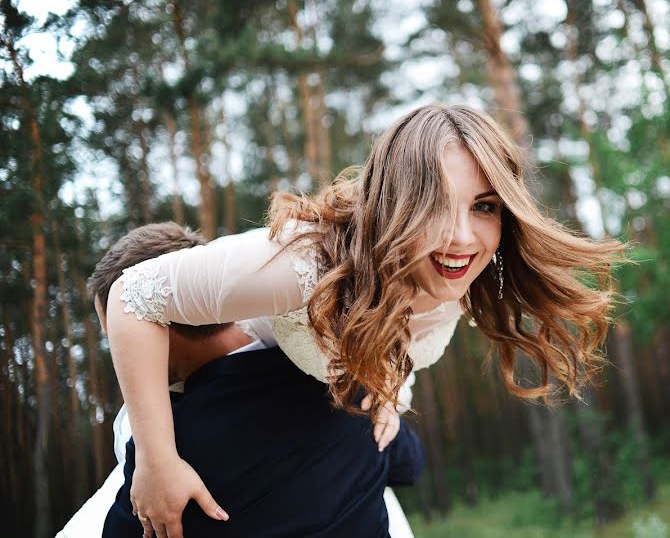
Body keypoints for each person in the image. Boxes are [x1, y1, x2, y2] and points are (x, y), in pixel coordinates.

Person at [105, 104, 622, 537]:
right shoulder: (304, 263)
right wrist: (157, 461)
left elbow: (406, 344)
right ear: (395, 202)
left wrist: (392, 392)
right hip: (210, 398)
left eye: (484, 206)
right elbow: (130, 297)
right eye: (436, 204)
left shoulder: (465, 275)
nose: (462, 237)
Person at [58, 222, 421, 538]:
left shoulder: (164, 455)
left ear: (155, 326)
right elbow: (409, 464)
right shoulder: (342, 374)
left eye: (117, 336)